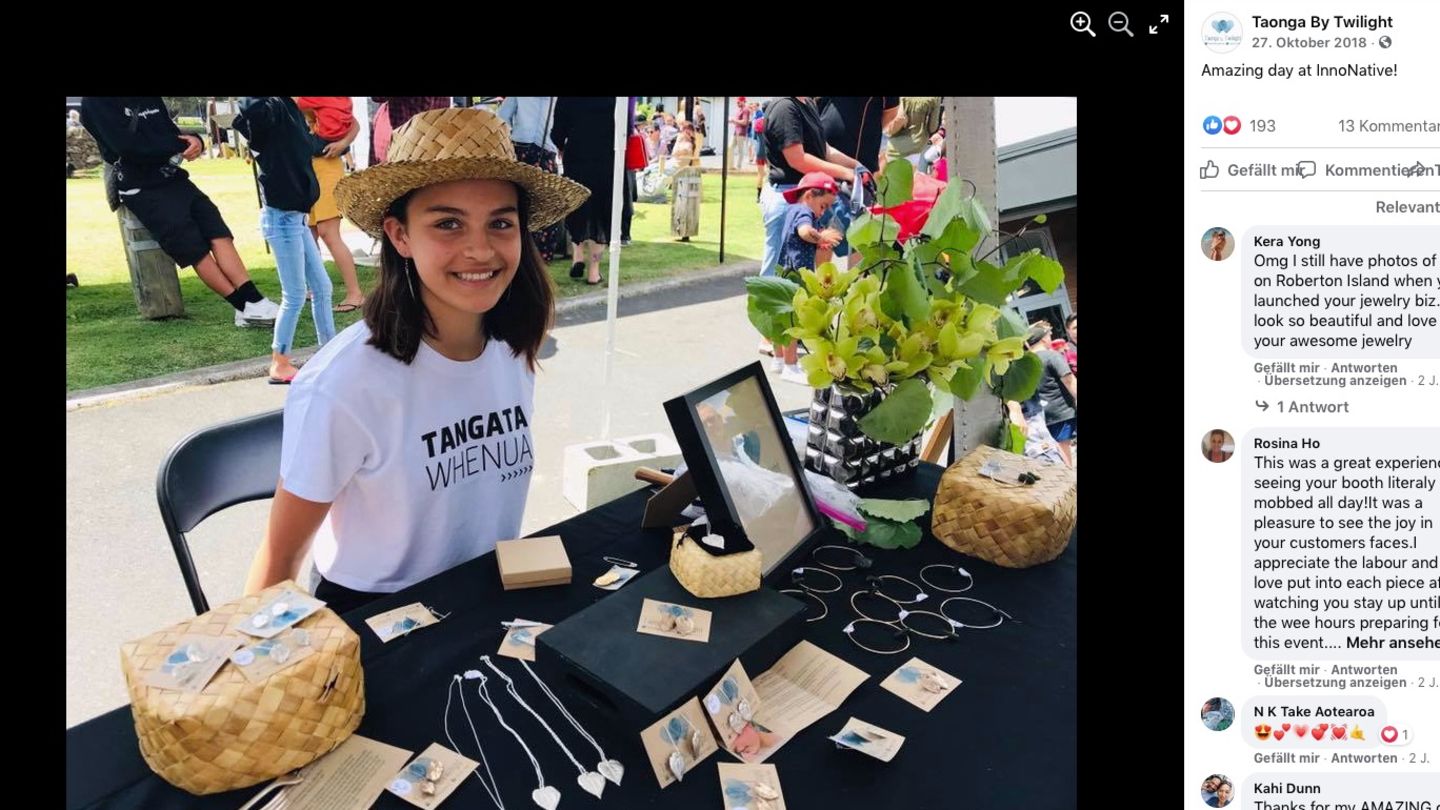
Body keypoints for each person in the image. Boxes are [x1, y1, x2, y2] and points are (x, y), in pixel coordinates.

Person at [244, 107, 589, 613]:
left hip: (488, 593)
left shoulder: (511, 343)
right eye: (448, 223)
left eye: (501, 223)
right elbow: (280, 558)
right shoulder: (344, 384)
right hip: (377, 615)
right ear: (400, 235)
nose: (480, 249)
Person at [80, 97, 281, 327]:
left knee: (217, 230)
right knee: (193, 247)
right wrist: (176, 146)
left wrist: (195, 141)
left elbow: (169, 131)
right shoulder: (96, 103)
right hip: (141, 187)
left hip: (173, 177)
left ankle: (254, 300)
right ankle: (242, 306)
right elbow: (127, 146)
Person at [232, 97, 337, 384]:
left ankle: (330, 352)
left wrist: (341, 138)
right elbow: (251, 108)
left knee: (322, 288)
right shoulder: (267, 111)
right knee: (294, 295)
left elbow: (308, 145)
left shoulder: (287, 108)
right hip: (282, 218)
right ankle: (279, 362)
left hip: (297, 217)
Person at [295, 97, 366, 313]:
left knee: (329, 232)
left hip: (326, 165)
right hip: (305, 169)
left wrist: (343, 144)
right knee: (310, 232)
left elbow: (353, 123)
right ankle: (317, 287)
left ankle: (355, 293)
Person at [774, 172, 843, 382]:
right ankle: (790, 365)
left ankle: (778, 360)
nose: (823, 212)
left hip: (783, 269)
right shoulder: (805, 212)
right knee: (795, 320)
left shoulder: (793, 209)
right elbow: (804, 232)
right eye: (823, 206)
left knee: (782, 319)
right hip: (796, 273)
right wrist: (821, 237)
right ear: (810, 195)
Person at [552, 97, 616, 285]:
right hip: (605, 157)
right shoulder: (614, 99)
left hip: (576, 156)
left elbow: (557, 133)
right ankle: (594, 272)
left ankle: (577, 257)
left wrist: (563, 147)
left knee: (577, 205)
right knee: (600, 211)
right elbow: (625, 129)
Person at [497, 96, 566, 262]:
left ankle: (520, 253)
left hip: (522, 151)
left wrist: (511, 136)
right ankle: (539, 256)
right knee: (545, 209)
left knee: (517, 204)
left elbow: (501, 119)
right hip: (544, 155)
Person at [1024, 324, 1077, 467]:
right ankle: (1069, 481)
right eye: (1048, 335)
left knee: (1051, 452)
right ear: (1043, 339)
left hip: (1039, 416)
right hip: (1060, 412)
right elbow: (1069, 380)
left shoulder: (1025, 362)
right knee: (1063, 452)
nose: (1050, 338)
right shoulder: (1052, 356)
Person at [884, 97, 943, 169]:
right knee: (915, 179)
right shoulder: (935, 98)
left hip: (894, 150)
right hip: (917, 148)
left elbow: (888, 124)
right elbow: (932, 127)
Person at [729, 97, 751, 170]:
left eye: (738, 102)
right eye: (737, 102)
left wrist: (734, 120)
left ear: (743, 101)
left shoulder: (746, 110)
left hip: (741, 132)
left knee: (740, 150)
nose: (737, 104)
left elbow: (744, 122)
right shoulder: (739, 110)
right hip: (735, 132)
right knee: (730, 147)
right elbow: (738, 121)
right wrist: (732, 121)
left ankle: (739, 167)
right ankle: (731, 166)